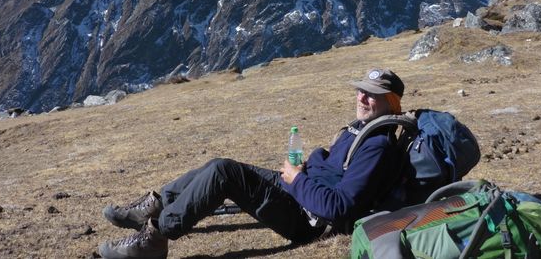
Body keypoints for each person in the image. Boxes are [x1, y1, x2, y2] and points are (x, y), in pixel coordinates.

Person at [97, 68, 406, 259]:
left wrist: (298, 178)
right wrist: (314, 161)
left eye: (373, 95)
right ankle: (157, 205)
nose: (362, 98)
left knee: (224, 173)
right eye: (361, 90)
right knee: (218, 165)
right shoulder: (362, 128)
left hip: (306, 217)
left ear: (392, 103)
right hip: (298, 190)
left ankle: (156, 238)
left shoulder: (377, 147)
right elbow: (332, 167)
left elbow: (339, 208)